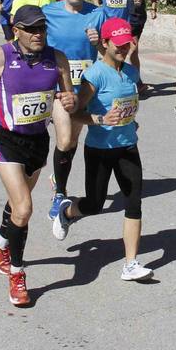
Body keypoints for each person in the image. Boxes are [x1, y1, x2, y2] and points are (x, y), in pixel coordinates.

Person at [0, 5, 76, 308]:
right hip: (5, 140)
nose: (38, 34)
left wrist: (70, 99)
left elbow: (69, 98)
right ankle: (17, 274)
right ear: (16, 30)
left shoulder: (57, 59)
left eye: (42, 28)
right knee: (24, 209)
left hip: (37, 140)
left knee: (17, 204)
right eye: (31, 29)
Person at [51, 18, 153, 281]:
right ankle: (67, 212)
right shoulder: (94, 75)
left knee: (134, 203)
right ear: (105, 43)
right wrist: (100, 119)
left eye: (126, 44)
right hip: (100, 149)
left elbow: (128, 103)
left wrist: (130, 119)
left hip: (128, 146)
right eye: (118, 44)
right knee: (95, 204)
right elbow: (76, 113)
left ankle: (131, 264)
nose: (123, 49)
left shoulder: (131, 72)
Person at [42, 0, 108, 223]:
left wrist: (98, 44)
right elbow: (33, 41)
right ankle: (60, 193)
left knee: (72, 142)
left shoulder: (97, 14)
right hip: (60, 89)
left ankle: (58, 175)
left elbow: (109, 53)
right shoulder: (49, 12)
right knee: (65, 138)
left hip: (86, 90)